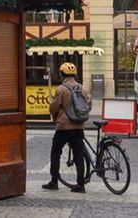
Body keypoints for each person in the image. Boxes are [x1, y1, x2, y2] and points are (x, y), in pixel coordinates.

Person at [43, 61, 90, 193]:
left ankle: (54, 181)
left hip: (63, 127)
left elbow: (54, 107)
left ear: (62, 74)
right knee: (79, 155)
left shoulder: (61, 89)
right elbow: (89, 106)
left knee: (56, 152)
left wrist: (54, 115)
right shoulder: (83, 88)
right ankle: (81, 185)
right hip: (79, 126)